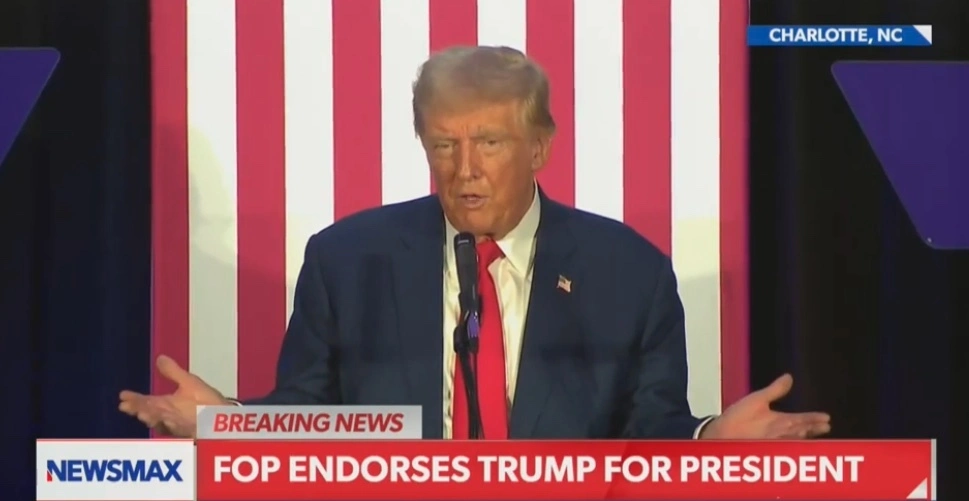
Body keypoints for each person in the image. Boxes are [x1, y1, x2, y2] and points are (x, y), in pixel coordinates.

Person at [119, 45, 830, 440]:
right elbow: (316, 423)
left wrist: (710, 440)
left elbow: (648, 434)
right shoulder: (346, 261)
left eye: (489, 142)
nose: (464, 169)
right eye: (443, 144)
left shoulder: (628, 272)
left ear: (538, 147)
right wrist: (228, 424)